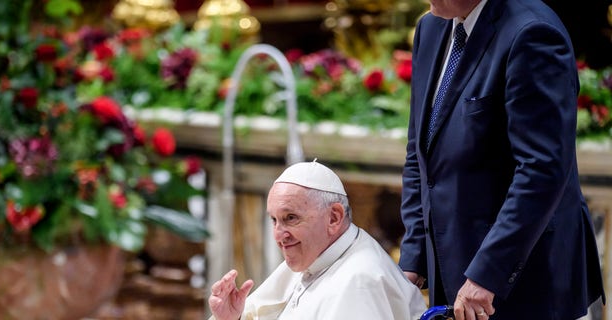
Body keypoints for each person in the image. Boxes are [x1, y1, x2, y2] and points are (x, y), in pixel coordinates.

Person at [398, 0, 606, 319]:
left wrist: (487, 272)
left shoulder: (533, 33)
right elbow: (420, 150)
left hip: (524, 279)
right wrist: (414, 255)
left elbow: (541, 172)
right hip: (453, 267)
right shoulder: (430, 27)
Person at [208, 160, 427, 320]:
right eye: (274, 220)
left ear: (334, 217)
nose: (279, 235)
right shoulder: (315, 258)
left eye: (290, 218)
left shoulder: (360, 281)